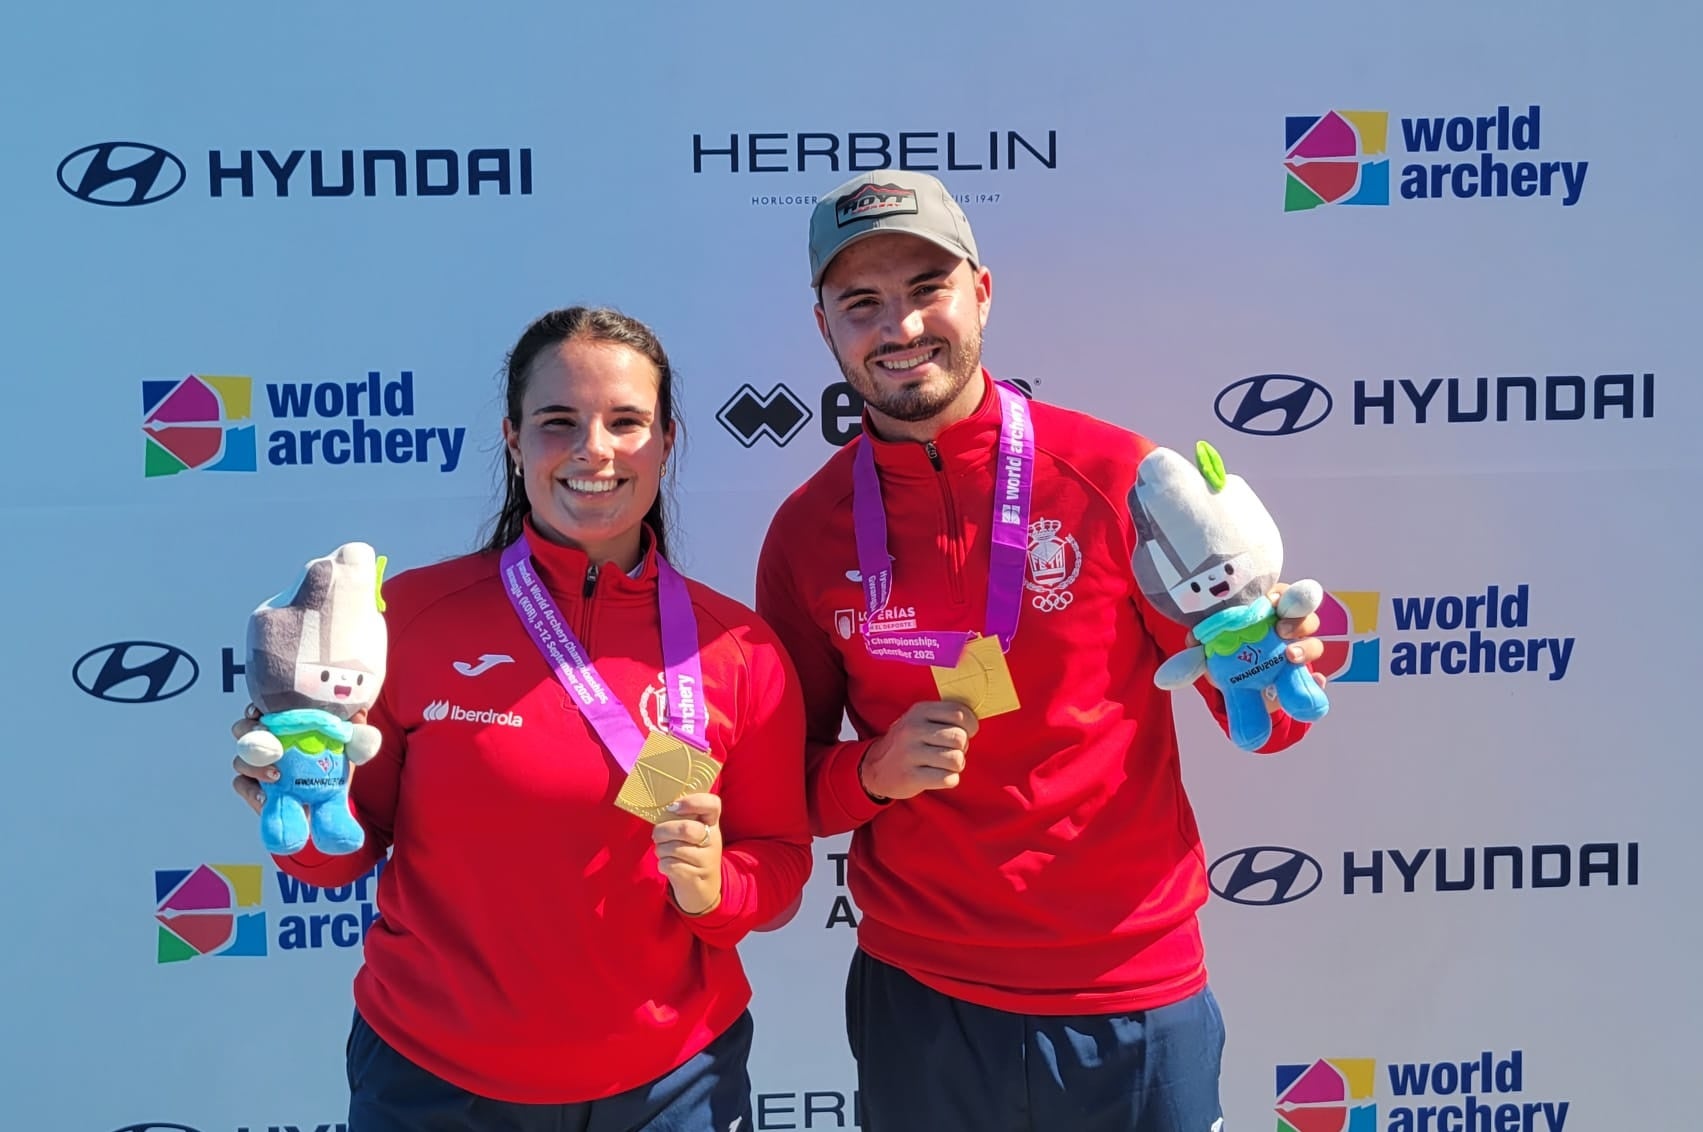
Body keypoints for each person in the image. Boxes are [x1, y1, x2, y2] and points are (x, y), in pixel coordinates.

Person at [754, 171, 1329, 1132]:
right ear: (824, 327)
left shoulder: (1119, 480)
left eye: (925, 288)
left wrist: (1265, 660)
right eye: (863, 304)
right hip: (922, 994)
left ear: (980, 292)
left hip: (1130, 984)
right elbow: (783, 789)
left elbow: (1267, 729)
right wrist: (874, 773)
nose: (899, 328)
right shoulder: (806, 531)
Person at [230, 306, 812, 1131]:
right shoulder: (414, 617)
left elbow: (781, 862)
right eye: (557, 422)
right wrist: (299, 801)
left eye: (625, 422)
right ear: (512, 439)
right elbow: (343, 859)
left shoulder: (737, 648)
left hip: (671, 1084)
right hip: (437, 1081)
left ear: (667, 440)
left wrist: (720, 889)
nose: (593, 450)